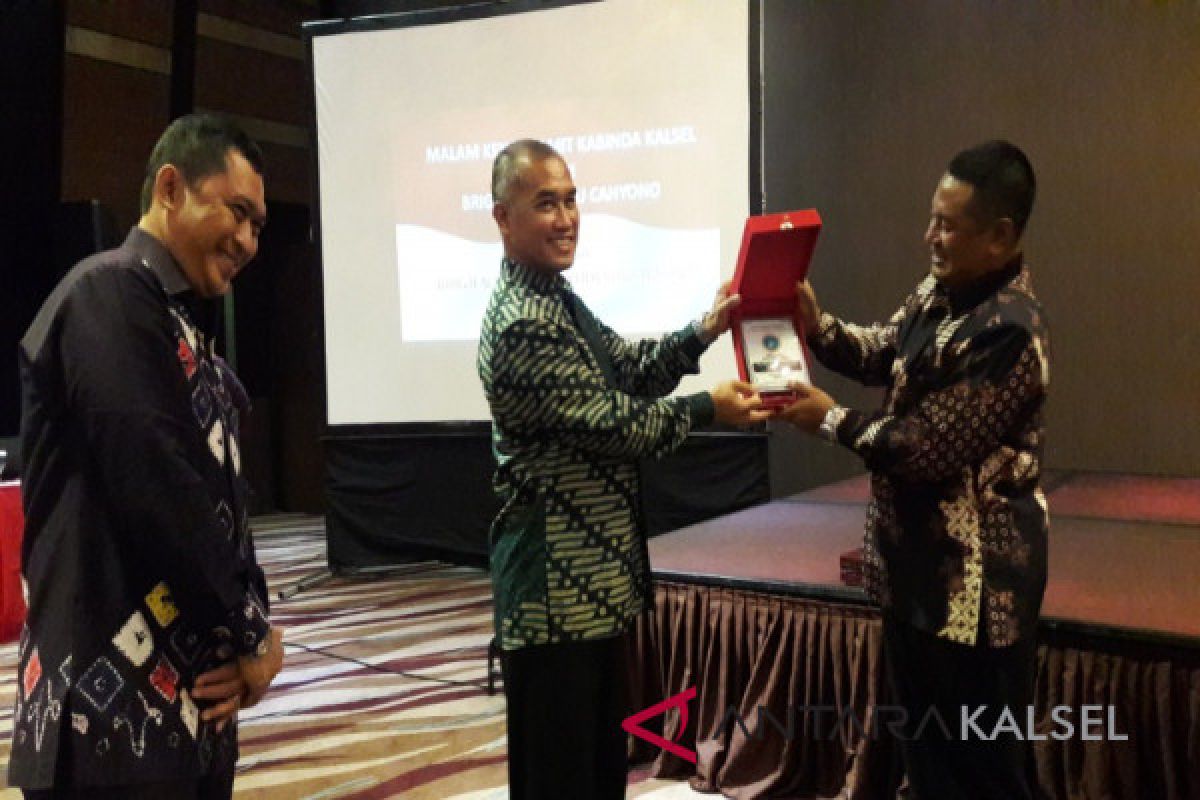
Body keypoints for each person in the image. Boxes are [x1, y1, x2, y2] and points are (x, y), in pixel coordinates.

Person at [478, 139, 770, 799]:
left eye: (571, 200)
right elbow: (613, 425)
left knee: (596, 772)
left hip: (590, 590)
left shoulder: (556, 297)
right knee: (563, 779)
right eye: (545, 204)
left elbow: (629, 371)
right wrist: (708, 408)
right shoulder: (524, 321)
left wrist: (704, 330)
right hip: (554, 596)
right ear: (502, 218)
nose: (565, 219)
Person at [9, 114, 285, 799]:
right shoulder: (107, 294)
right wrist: (250, 633)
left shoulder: (174, 319)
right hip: (106, 734)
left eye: (258, 225)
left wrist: (251, 632)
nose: (249, 241)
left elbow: (221, 506)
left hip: (177, 723)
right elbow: (159, 486)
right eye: (237, 212)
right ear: (170, 189)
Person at [776, 140, 1049, 800]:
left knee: (983, 773)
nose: (930, 236)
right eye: (933, 218)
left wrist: (830, 419)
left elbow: (926, 449)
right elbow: (883, 352)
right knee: (927, 765)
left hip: (976, 597)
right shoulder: (939, 292)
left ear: (1000, 236)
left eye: (947, 226)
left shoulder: (1010, 328)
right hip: (915, 578)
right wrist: (818, 326)